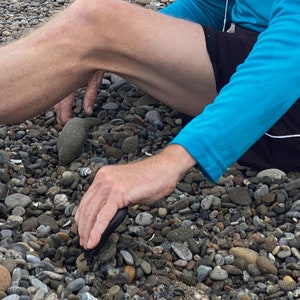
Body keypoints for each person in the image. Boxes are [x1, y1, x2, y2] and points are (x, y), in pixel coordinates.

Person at [1, 0, 300, 251]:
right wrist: (108, 52)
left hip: (287, 88)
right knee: (93, 25)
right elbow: (216, 5)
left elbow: (293, 44)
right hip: (262, 45)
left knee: (93, 20)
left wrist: (171, 161)